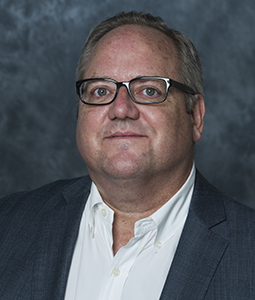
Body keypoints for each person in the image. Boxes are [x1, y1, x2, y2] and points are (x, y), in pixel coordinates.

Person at [0, 11, 254, 300]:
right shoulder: (8, 225)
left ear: (195, 116)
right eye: (100, 91)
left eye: (148, 90)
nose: (121, 109)